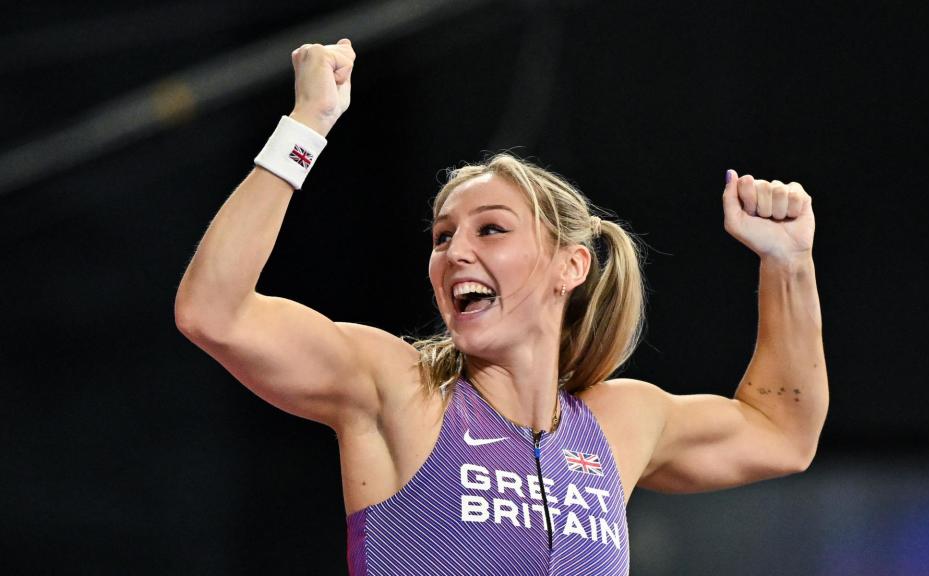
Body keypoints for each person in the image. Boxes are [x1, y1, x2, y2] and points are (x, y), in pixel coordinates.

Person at [175, 39, 828, 575]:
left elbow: (782, 432)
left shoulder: (618, 425)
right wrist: (306, 126)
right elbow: (214, 311)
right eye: (441, 236)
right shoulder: (395, 390)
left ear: (570, 266)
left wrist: (788, 264)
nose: (455, 251)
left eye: (490, 229)